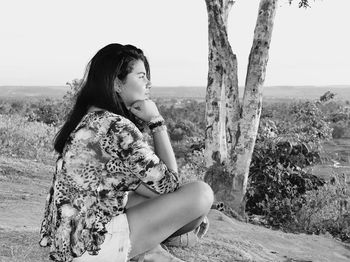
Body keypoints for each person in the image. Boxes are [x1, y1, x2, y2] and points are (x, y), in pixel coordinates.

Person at [39, 43, 214, 262]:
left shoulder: (88, 120)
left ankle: (149, 249)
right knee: (201, 193)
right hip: (92, 247)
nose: (148, 83)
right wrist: (157, 122)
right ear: (117, 83)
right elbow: (171, 184)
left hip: (69, 244)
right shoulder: (117, 126)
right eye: (141, 76)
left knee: (150, 199)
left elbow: (153, 191)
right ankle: (146, 251)